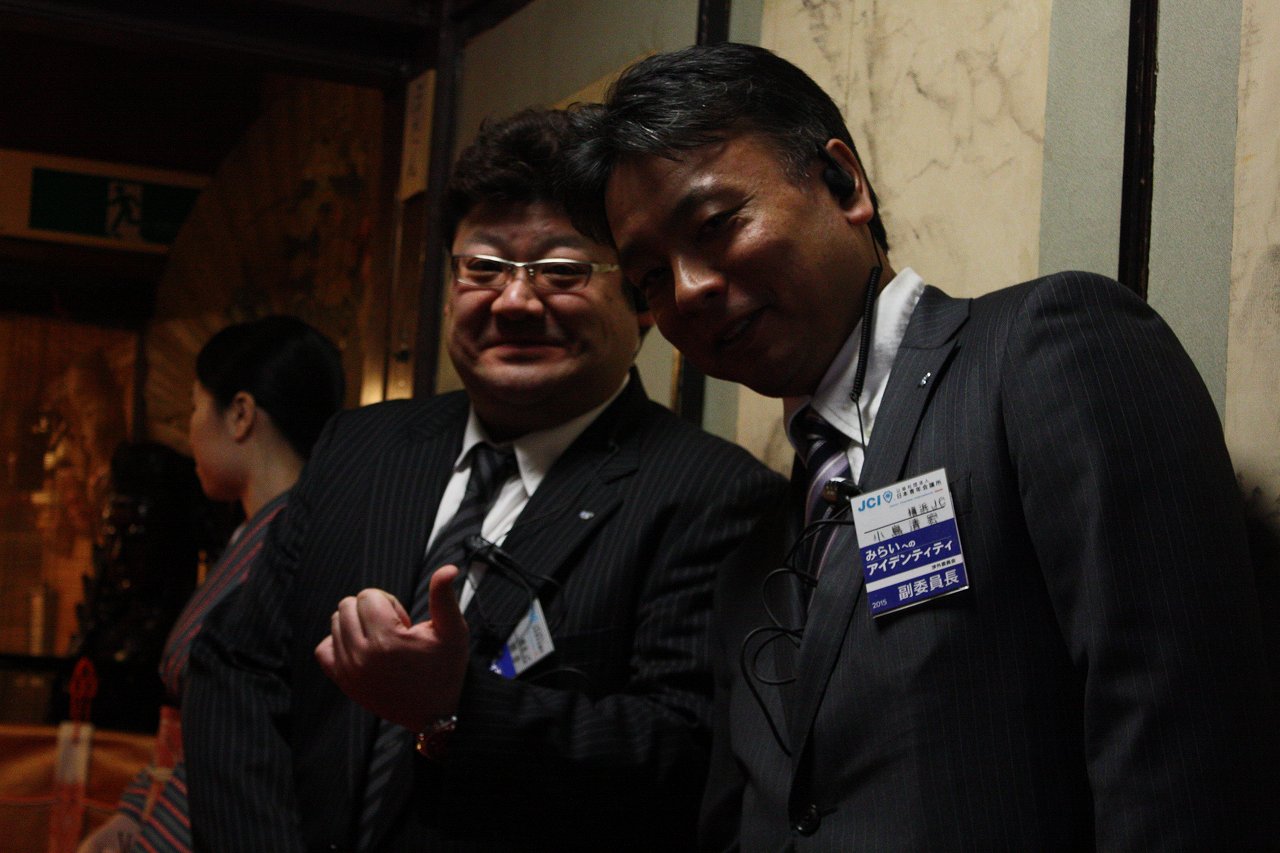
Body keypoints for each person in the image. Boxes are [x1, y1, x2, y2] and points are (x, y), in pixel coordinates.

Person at [563, 42, 1280, 851]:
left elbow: (1179, 731)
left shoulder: (1044, 353)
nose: (688, 290)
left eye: (716, 225)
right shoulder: (754, 555)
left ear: (844, 183)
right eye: (651, 278)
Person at [182, 108, 785, 852]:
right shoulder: (361, 447)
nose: (515, 301)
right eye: (485, 268)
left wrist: (457, 706)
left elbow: (682, 754)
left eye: (561, 271)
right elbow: (235, 666)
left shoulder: (712, 497)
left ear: (640, 299)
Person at [77, 316, 345, 853]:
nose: (190, 430)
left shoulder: (292, 545)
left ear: (241, 414)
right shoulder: (259, 533)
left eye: (195, 408)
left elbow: (245, 740)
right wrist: (133, 815)